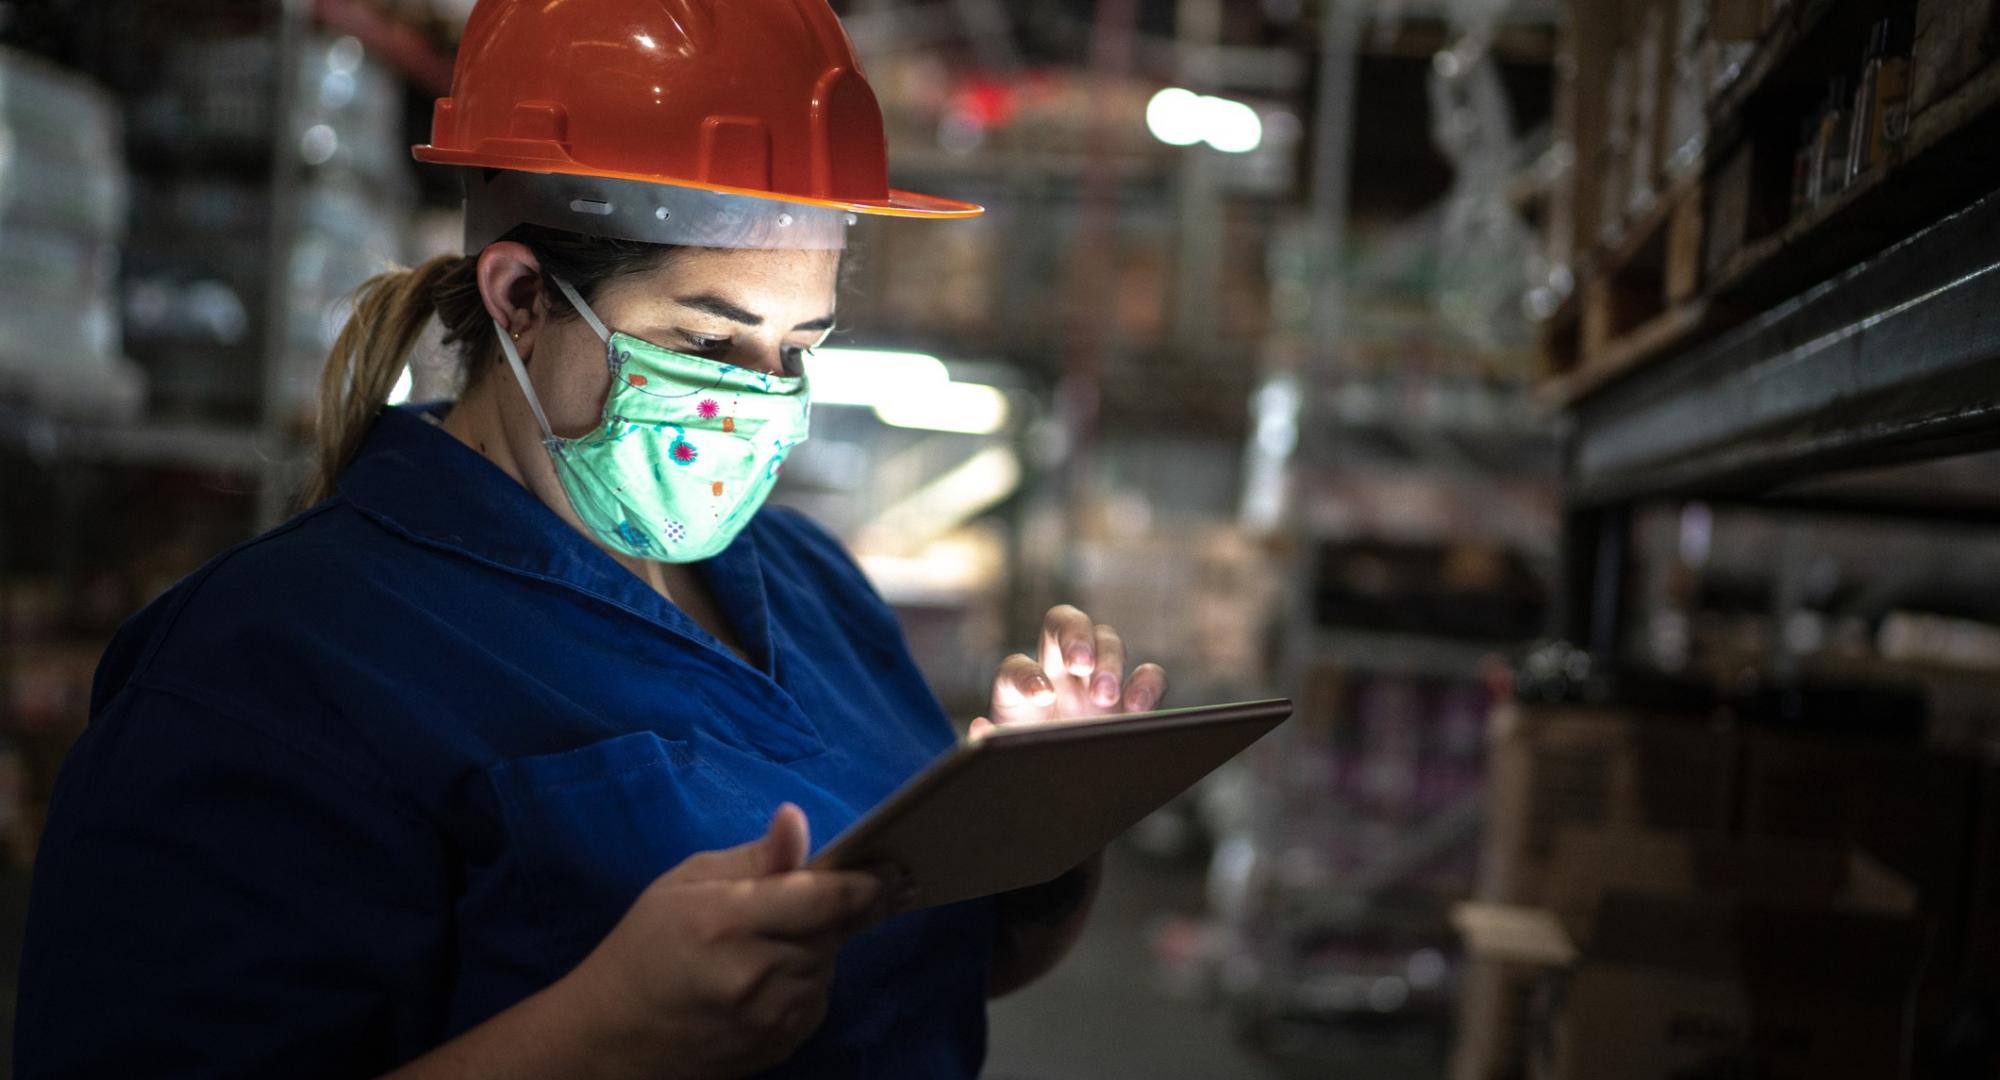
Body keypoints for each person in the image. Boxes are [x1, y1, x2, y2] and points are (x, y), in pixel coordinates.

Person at [12, 1, 1167, 1076]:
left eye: (799, 347)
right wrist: (598, 1036)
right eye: (711, 346)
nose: (764, 399)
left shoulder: (807, 584)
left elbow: (928, 967)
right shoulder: (271, 665)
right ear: (518, 296)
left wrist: (1046, 821)